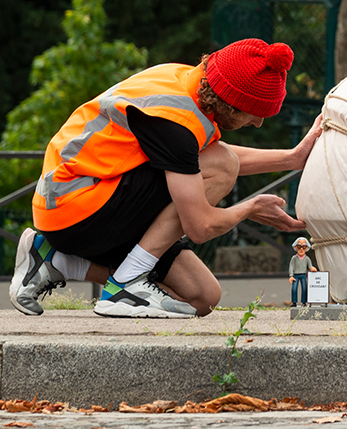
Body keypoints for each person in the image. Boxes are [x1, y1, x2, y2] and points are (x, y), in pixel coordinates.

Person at [9, 38, 323, 319]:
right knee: (223, 166)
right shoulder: (175, 124)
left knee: (201, 297)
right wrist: (250, 208)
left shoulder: (190, 82)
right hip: (77, 208)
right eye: (254, 113)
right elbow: (200, 226)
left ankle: (53, 259)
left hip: (89, 202)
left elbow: (204, 154)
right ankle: (125, 285)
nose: (256, 124)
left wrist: (291, 158)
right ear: (229, 101)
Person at [288, 236, 316, 307]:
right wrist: (291, 275)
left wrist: (312, 268)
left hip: (303, 275)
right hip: (295, 275)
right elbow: (291, 266)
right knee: (294, 288)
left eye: (303, 247)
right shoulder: (294, 258)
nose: (301, 249)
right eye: (299, 246)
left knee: (304, 288)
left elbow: (310, 265)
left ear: (306, 248)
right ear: (296, 247)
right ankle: (294, 302)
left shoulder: (307, 258)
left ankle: (304, 302)